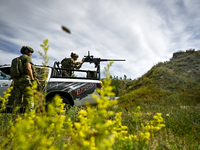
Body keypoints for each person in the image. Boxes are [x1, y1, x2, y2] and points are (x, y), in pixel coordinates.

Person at [13, 46, 37, 111]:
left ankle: (15, 116)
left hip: (17, 80)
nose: (31, 54)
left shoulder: (15, 60)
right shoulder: (27, 58)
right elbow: (28, 68)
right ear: (27, 51)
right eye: (30, 52)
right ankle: (29, 116)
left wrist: (15, 81)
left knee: (17, 99)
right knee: (29, 98)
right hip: (25, 79)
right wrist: (32, 79)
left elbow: (14, 72)